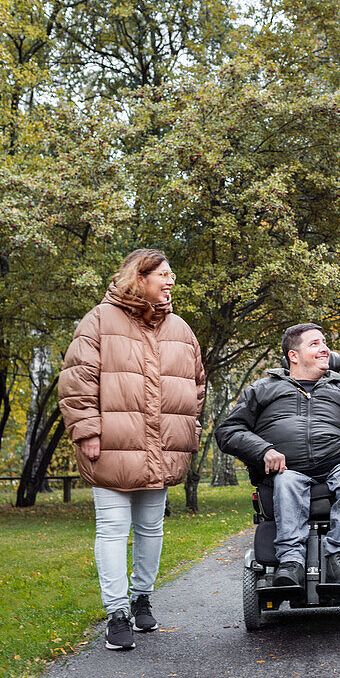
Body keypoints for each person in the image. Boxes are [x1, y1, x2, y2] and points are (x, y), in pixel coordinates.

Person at [59, 249, 206, 651]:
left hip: (160, 447)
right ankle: (117, 614)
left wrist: (188, 427)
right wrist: (87, 431)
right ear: (139, 278)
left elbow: (196, 386)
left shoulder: (180, 328)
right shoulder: (99, 321)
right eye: (163, 273)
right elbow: (77, 381)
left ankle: (142, 598)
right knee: (111, 530)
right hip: (110, 446)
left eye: (171, 272)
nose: (171, 279)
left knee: (151, 528)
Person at [214, 324, 340, 589]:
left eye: (325, 343)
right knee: (286, 482)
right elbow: (228, 431)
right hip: (287, 467)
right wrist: (263, 450)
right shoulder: (262, 389)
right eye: (314, 344)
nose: (324, 349)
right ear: (293, 355)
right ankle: (291, 564)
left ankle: (339, 557)